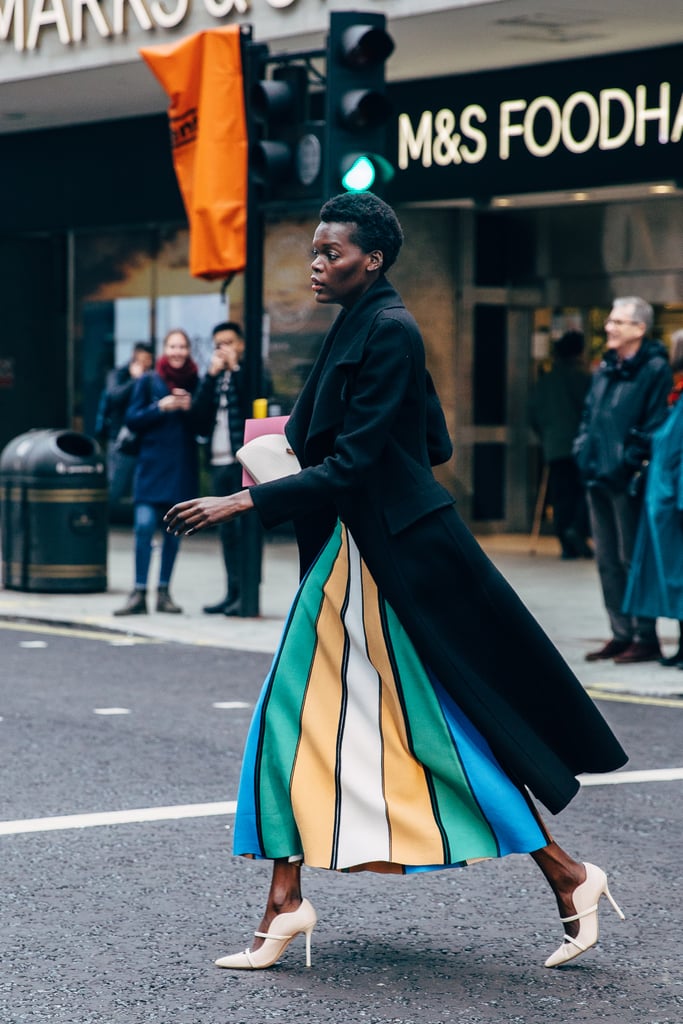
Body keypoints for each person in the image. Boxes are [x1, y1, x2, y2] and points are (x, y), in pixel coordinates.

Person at [165, 193, 627, 972]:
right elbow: (434, 442)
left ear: (371, 259)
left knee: (343, 723)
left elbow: (354, 464)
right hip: (355, 554)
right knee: (339, 725)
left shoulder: (389, 329)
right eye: (313, 251)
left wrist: (243, 498)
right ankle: (289, 900)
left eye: (330, 252)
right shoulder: (367, 324)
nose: (316, 264)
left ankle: (567, 874)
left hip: (378, 560)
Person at [573, 297, 672, 664]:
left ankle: (644, 636)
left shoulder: (655, 369)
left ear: (639, 329)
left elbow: (655, 423)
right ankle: (620, 632)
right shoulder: (605, 368)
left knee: (632, 559)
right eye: (610, 320)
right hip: (596, 473)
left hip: (626, 479)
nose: (609, 327)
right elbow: (589, 416)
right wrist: (583, 450)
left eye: (618, 322)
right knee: (607, 560)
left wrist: (627, 462)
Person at [114, 328, 200, 616]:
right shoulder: (150, 381)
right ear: (165, 349)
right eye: (172, 346)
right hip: (150, 467)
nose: (177, 352)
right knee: (142, 527)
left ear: (188, 350)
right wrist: (159, 407)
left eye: (182, 347)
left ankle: (163, 592)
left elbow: (204, 425)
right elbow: (132, 419)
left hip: (181, 468)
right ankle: (138, 592)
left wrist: (191, 408)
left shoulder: (196, 380)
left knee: (174, 532)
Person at [622, 329, 683, 667]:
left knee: (679, 576)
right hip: (665, 502)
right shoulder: (677, 395)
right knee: (673, 578)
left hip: (673, 503)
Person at [192, 322, 250, 616]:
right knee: (225, 531)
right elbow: (198, 416)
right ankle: (231, 592)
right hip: (217, 462)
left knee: (243, 530)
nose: (222, 349)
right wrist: (210, 375)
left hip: (243, 461)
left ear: (239, 344)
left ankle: (246, 593)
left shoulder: (250, 371)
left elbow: (256, 401)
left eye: (228, 343)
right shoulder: (213, 377)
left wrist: (236, 369)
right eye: (217, 345)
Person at [530, 331, 593, 559]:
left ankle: (567, 545)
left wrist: (546, 435)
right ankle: (577, 531)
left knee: (561, 497)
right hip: (579, 446)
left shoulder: (546, 381)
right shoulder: (582, 379)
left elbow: (533, 414)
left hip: (554, 446)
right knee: (582, 493)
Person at [95, 342, 154, 505]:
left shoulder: (152, 377)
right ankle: (103, 519)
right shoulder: (118, 374)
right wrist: (136, 380)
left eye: (148, 360)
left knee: (140, 489)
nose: (145, 364)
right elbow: (114, 396)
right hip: (121, 440)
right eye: (141, 359)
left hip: (144, 441)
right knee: (115, 485)